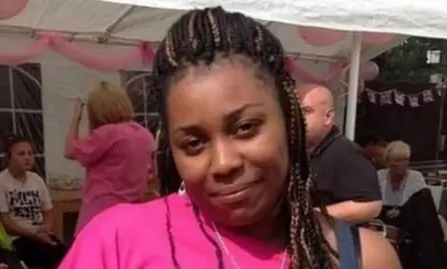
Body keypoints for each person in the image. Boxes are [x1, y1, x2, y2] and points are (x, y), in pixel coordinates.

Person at [59, 7, 400, 269]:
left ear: (288, 119)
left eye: (246, 128)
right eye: (193, 144)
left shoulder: (363, 257)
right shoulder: (116, 242)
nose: (224, 163)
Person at [64, 81, 155, 236]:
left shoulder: (107, 134)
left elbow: (69, 150)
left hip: (100, 211)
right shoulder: (144, 134)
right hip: (131, 211)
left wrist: (75, 119)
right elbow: (152, 174)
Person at [296, 83, 381, 223]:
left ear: (328, 116)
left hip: (331, 240)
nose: (298, 117)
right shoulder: (296, 150)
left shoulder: (347, 154)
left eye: (306, 111)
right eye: (294, 111)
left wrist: (310, 217)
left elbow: (370, 205)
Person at [0, 136, 66, 269]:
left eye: (30, 154)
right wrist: (34, 236)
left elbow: (48, 211)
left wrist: (45, 229)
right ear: (9, 158)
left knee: (67, 254)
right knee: (50, 255)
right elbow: (6, 222)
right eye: (21, 154)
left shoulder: (36, 179)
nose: (27, 157)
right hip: (17, 238)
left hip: (41, 235)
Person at [378, 140, 446, 269]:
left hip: (409, 223)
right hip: (383, 219)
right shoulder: (379, 176)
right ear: (388, 162)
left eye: (406, 160)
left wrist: (402, 212)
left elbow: (420, 209)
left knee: (424, 202)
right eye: (397, 162)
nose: (404, 164)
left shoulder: (416, 177)